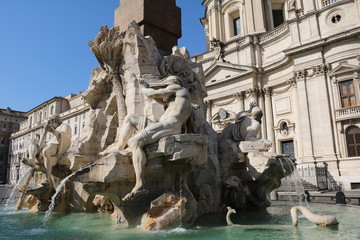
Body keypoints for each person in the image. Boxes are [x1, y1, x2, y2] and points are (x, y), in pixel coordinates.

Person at [100, 75, 193, 201]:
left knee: (135, 141)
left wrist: (143, 86)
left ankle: (140, 183)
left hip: (170, 126)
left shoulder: (178, 88)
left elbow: (152, 94)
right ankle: (119, 146)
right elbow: (159, 98)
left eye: (165, 86)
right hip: (161, 124)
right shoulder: (176, 99)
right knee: (130, 118)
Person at [41, 114, 72, 186]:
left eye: (51, 123)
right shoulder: (57, 128)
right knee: (36, 145)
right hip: (52, 145)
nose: (51, 125)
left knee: (46, 151)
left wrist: (52, 130)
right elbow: (42, 143)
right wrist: (45, 131)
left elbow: (64, 136)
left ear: (54, 121)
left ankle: (47, 178)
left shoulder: (65, 126)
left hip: (58, 146)